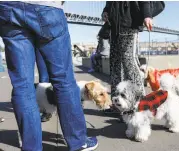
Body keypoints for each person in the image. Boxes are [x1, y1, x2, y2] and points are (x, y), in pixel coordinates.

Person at [0, 2, 98, 151]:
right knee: (63, 81)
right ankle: (78, 142)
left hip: (9, 7)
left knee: (22, 86)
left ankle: (31, 147)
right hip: (46, 7)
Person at [101, 2, 153, 111]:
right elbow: (109, 4)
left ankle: (140, 102)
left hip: (130, 25)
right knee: (115, 66)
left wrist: (147, 15)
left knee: (129, 63)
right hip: (114, 28)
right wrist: (105, 11)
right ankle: (117, 104)